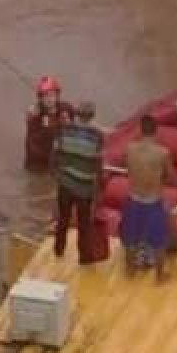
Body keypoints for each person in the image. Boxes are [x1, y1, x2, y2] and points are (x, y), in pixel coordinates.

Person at [120, 115, 174, 280]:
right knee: (160, 240)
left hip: (134, 199)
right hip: (152, 201)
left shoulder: (129, 148)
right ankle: (159, 275)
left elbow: (126, 167)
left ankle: (130, 271)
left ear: (140, 130)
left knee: (130, 237)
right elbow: (170, 176)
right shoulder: (163, 153)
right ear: (156, 132)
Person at [51, 100, 104, 259]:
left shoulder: (64, 130)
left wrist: (56, 174)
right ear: (92, 116)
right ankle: (84, 256)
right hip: (84, 188)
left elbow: (55, 155)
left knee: (63, 219)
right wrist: (98, 188)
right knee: (83, 224)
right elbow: (98, 163)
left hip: (65, 184)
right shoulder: (97, 135)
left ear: (76, 114)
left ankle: (58, 250)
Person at [25, 76, 75, 172]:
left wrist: (68, 123)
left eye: (52, 95)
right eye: (46, 96)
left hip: (56, 159)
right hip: (38, 162)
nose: (49, 99)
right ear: (40, 98)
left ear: (57, 96)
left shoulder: (65, 108)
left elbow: (80, 118)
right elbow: (38, 139)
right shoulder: (35, 114)